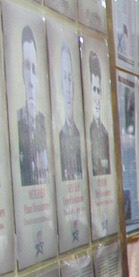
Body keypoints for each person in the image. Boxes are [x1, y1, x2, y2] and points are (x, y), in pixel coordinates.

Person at [16, 25, 50, 187]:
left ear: (38, 78)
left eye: (34, 69)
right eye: (26, 67)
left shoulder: (46, 125)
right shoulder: (16, 125)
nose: (30, 80)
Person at [57, 39, 83, 181]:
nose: (67, 88)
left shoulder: (80, 134)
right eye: (64, 79)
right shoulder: (59, 135)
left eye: (69, 79)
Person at [87, 51, 111, 177]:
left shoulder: (105, 133)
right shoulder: (88, 131)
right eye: (94, 90)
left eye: (99, 91)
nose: (97, 99)